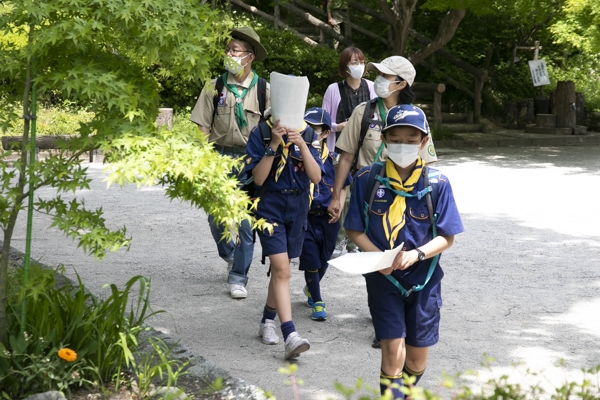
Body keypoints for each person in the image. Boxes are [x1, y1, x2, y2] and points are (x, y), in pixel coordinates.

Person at [344, 104, 464, 399]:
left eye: (411, 140)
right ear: (384, 140)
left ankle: (403, 394)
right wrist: (379, 259)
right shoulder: (366, 180)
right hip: (383, 279)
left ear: (424, 142)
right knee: (392, 353)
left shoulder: (437, 183)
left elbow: (448, 237)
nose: (403, 146)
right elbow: (354, 230)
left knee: (416, 360)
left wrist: (418, 254)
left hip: (425, 280)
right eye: (395, 139)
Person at [330, 55, 439, 348]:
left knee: (404, 254)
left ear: (401, 84)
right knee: (374, 258)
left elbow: (425, 163)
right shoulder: (363, 112)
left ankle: (397, 314)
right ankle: (385, 322)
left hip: (407, 198)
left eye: (385, 75)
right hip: (370, 197)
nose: (376, 78)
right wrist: (336, 195)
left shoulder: (417, 117)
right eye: (376, 73)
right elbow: (347, 157)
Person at [189, 27, 269, 300]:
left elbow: (273, 128)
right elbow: (201, 127)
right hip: (218, 158)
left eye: (235, 51)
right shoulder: (214, 86)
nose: (230, 55)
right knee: (216, 218)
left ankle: (239, 276)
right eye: (228, 50)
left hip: (250, 160)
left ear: (250, 56)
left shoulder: (264, 89)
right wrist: (203, 163)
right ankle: (230, 255)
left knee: (246, 221)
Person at [243, 113, 323, 359]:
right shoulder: (261, 133)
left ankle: (267, 320)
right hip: (269, 205)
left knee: (282, 269)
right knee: (281, 268)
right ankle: (290, 334)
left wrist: (301, 145)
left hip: (298, 205)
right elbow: (257, 178)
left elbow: (316, 176)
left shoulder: (308, 134)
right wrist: (274, 145)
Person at [322, 47, 376, 259]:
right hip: (340, 150)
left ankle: (357, 242)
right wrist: (340, 127)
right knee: (342, 198)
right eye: (354, 62)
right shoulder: (333, 90)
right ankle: (339, 239)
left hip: (366, 152)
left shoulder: (371, 88)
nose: (359, 66)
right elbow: (324, 122)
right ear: (345, 66)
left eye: (361, 62)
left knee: (362, 196)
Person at [300, 107, 352, 321]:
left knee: (324, 259)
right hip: (306, 217)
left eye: (314, 129)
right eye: (306, 128)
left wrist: (338, 204)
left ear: (325, 134)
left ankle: (312, 287)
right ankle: (318, 301)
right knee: (311, 257)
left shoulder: (333, 160)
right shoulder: (296, 157)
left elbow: (344, 184)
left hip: (328, 218)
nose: (308, 133)